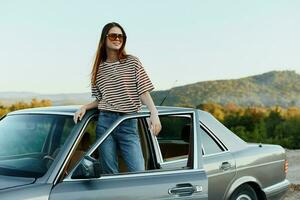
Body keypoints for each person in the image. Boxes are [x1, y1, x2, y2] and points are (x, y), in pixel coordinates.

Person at [73, 22, 161, 174]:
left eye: (121, 36)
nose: (118, 39)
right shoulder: (98, 68)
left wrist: (154, 113)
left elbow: (143, 91)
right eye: (113, 35)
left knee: (138, 172)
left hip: (127, 123)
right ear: (104, 39)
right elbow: (101, 99)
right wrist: (84, 107)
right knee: (109, 174)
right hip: (105, 123)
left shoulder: (132, 61)